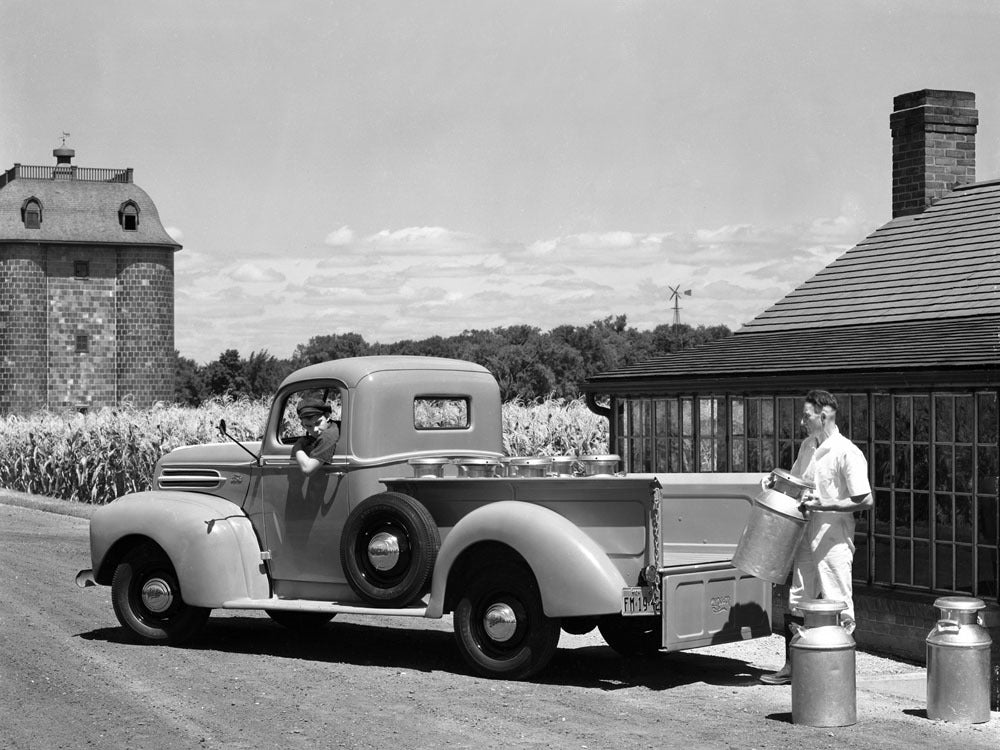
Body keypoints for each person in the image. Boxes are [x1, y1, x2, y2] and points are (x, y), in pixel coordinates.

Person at [759, 390, 873, 685]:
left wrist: (826, 504)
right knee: (799, 597)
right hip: (805, 532)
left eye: (806, 416)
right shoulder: (808, 446)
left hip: (834, 538)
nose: (802, 421)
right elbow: (797, 483)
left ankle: (839, 675)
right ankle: (794, 667)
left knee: (838, 599)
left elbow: (865, 499)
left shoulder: (847, 452)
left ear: (823, 416)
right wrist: (775, 482)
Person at [291, 398, 340, 476]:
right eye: (309, 426)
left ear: (327, 416)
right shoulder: (334, 426)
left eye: (318, 423)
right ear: (303, 425)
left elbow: (307, 469)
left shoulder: (327, 436)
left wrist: (297, 447)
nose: (315, 429)